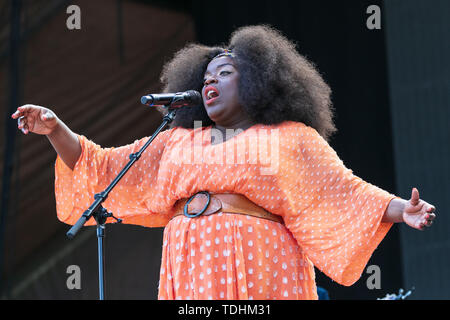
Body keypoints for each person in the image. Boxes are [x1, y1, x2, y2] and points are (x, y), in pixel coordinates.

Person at [11, 25, 436, 300]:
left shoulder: (288, 137)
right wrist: (55, 129)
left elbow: (343, 190)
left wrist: (403, 210)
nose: (211, 81)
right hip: (190, 263)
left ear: (257, 82)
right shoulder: (175, 140)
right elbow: (100, 168)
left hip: (263, 262)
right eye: (207, 77)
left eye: (225, 73)